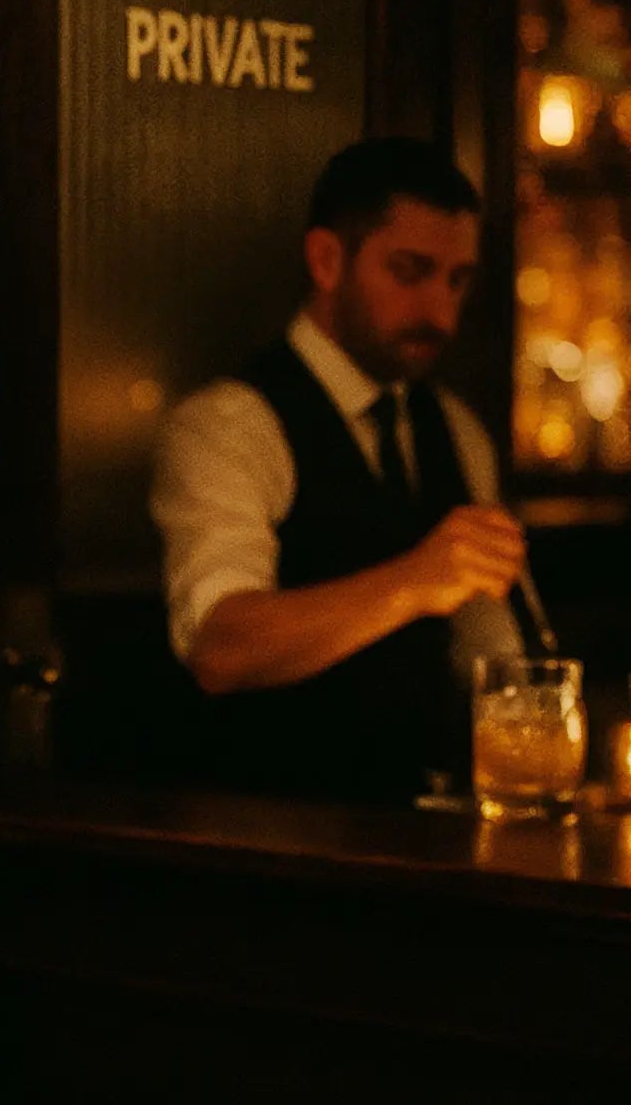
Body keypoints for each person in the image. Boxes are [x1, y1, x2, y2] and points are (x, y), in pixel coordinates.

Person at [149, 137, 530, 802]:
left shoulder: (457, 430)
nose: (440, 313)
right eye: (409, 272)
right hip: (277, 835)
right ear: (327, 260)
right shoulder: (229, 425)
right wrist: (414, 580)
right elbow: (219, 648)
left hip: (429, 830)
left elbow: (493, 654)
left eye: (457, 281)